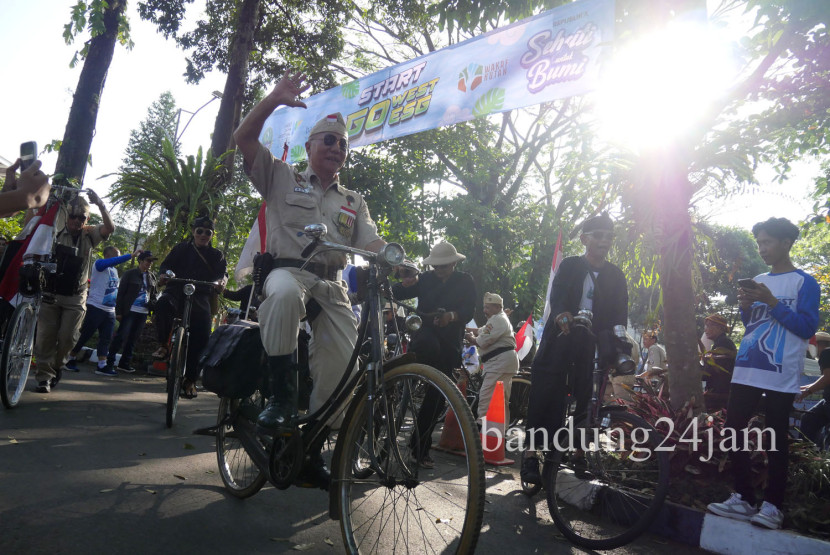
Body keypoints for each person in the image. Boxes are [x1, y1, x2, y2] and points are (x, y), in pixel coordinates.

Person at [234, 71, 385, 488]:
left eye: (343, 144)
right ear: (310, 146)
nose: (337, 147)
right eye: (329, 140)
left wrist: (398, 260)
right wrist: (273, 101)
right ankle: (280, 397)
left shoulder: (355, 201)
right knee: (281, 295)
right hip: (288, 271)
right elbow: (243, 140)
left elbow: (371, 242)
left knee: (344, 369)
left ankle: (310, 445)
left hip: (333, 285)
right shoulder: (281, 175)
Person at [707, 217, 819, 530]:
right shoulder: (758, 278)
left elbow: (808, 328)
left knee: (775, 437)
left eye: (767, 242)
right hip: (747, 367)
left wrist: (772, 302)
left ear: (786, 243)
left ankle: (773, 506)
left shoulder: (804, 283)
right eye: (759, 243)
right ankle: (743, 498)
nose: (762, 249)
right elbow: (753, 325)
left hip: (781, 371)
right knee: (733, 429)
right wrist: (746, 305)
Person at [520, 213, 628, 485]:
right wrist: (561, 315)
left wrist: (617, 348)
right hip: (563, 337)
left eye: (608, 236)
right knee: (545, 392)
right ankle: (531, 455)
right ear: (584, 239)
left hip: (593, 344)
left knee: (588, 399)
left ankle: (579, 454)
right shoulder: (570, 266)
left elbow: (619, 315)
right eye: (598, 235)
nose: (604, 241)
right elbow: (556, 298)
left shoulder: (616, 275)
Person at [392, 240, 476, 468]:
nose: (440, 270)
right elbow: (399, 290)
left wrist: (452, 316)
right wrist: (397, 281)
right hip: (425, 337)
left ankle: (420, 447)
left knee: (436, 399)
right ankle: (400, 379)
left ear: (453, 264)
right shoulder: (425, 279)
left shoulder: (465, 281)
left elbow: (469, 310)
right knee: (428, 347)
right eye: (436, 266)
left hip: (450, 345)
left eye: (444, 266)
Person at [32, 191, 115, 393]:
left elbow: (109, 228)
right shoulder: (55, 230)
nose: (76, 221)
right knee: (45, 337)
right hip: (51, 293)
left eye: (81, 217)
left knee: (68, 338)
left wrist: (101, 205)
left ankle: (58, 366)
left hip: (75, 296)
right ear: (66, 216)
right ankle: (44, 377)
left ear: (86, 219)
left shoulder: (89, 236)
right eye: (73, 216)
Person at [153, 217, 227, 398]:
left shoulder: (217, 255)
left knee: (202, 335)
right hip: (176, 290)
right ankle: (163, 345)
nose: (203, 235)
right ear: (193, 232)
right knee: (162, 304)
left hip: (200, 296)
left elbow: (222, 274)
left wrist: (220, 283)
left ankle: (190, 380)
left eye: (207, 232)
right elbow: (166, 266)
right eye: (200, 231)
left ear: (211, 235)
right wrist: (165, 274)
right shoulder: (180, 249)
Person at [64, 246, 141, 376]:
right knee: (85, 335)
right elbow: (110, 262)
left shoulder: (114, 271)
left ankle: (102, 365)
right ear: (108, 255)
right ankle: (70, 358)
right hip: (95, 307)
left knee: (105, 338)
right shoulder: (99, 264)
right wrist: (130, 256)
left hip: (109, 310)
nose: (118, 258)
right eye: (116, 255)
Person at [465, 292, 519, 425]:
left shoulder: (498, 319)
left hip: (499, 364)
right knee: (501, 400)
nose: (485, 311)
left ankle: (482, 430)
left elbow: (481, 341)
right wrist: (463, 328)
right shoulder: (498, 319)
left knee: (486, 399)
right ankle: (500, 434)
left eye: (487, 308)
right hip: (502, 363)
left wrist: (468, 337)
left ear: (497, 307)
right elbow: (480, 330)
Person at [105, 250, 159, 373]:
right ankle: (109, 362)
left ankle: (124, 363)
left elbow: (154, 294)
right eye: (148, 260)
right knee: (121, 336)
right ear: (140, 260)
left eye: (151, 261)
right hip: (129, 310)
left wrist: (153, 307)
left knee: (133, 338)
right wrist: (118, 311)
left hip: (143, 312)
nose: (150, 263)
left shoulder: (151, 276)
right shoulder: (130, 274)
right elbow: (121, 293)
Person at [798, 331, 830, 449]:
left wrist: (807, 391)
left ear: (818, 345)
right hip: (827, 401)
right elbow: (825, 378)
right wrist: (804, 387)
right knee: (808, 419)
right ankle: (810, 453)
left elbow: (827, 378)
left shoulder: (826, 353)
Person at [700, 313, 737, 412]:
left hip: (719, 394)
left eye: (708, 326)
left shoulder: (723, 343)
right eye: (705, 326)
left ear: (720, 328)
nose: (705, 329)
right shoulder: (720, 343)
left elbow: (710, 372)